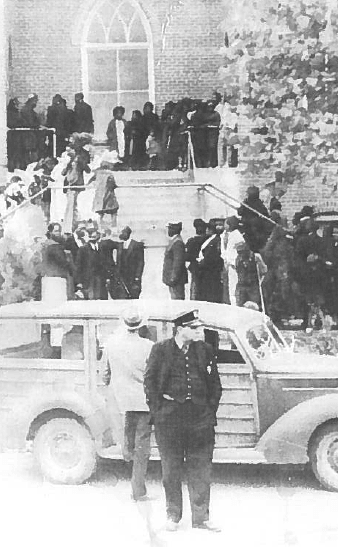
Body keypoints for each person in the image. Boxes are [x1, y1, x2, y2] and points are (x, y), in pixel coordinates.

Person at [144, 309, 222, 533]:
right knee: (171, 469)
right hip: (169, 418)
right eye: (194, 328)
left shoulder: (205, 350)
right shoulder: (160, 350)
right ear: (180, 330)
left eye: (199, 327)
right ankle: (173, 515)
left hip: (200, 419)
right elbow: (149, 382)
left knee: (201, 468)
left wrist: (209, 410)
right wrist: (158, 411)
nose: (200, 331)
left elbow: (215, 383)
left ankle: (201, 517)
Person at [101, 306, 155, 502]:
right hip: (143, 402)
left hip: (120, 402)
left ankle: (125, 461)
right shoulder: (148, 346)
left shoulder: (110, 345)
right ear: (140, 326)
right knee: (142, 447)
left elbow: (104, 375)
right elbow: (153, 375)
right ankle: (138, 490)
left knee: (126, 441)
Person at [40, 222, 73, 303]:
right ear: (50, 233)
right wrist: (68, 257)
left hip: (52, 277)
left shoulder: (50, 245)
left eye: (59, 231)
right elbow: (63, 262)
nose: (58, 233)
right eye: (56, 231)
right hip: (56, 279)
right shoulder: (53, 246)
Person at [196, 219, 225, 304]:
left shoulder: (215, 240)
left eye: (208, 228)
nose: (206, 230)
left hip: (211, 272)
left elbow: (212, 256)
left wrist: (203, 262)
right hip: (206, 272)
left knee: (211, 294)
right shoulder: (210, 239)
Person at [75, 229, 107, 300]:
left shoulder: (102, 248)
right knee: (90, 299)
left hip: (99, 279)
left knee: (99, 299)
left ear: (98, 236)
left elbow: (105, 264)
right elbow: (78, 266)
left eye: (94, 235)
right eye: (90, 235)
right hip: (88, 280)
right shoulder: (83, 249)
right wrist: (79, 281)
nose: (92, 237)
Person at [237, 186, 271, 252]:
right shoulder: (260, 204)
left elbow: (240, 212)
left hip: (249, 228)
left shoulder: (247, 202)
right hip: (258, 230)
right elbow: (266, 214)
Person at [221, 216, 245, 305]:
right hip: (229, 264)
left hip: (234, 264)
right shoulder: (228, 235)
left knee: (234, 286)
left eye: (226, 223)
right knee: (230, 286)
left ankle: (235, 304)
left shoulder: (237, 235)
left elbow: (237, 251)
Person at [92, 152, 119, 229]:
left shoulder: (98, 172)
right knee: (114, 211)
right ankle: (114, 226)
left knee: (100, 212)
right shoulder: (109, 174)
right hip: (108, 195)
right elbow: (112, 185)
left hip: (99, 195)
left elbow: (92, 179)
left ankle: (99, 226)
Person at [117, 226, 144, 299]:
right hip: (122, 278)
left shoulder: (137, 245)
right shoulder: (120, 245)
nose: (121, 234)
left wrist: (137, 276)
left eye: (122, 233)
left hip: (133, 277)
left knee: (134, 296)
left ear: (127, 233)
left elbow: (140, 262)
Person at [162, 222, 186, 299]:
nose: (168, 231)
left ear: (174, 229)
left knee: (177, 300)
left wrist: (173, 278)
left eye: (169, 228)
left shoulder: (177, 242)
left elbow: (178, 262)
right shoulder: (175, 241)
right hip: (173, 279)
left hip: (176, 280)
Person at [185, 219, 208, 300]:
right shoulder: (208, 239)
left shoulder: (192, 241)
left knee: (195, 289)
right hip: (206, 268)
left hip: (195, 267)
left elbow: (187, 256)